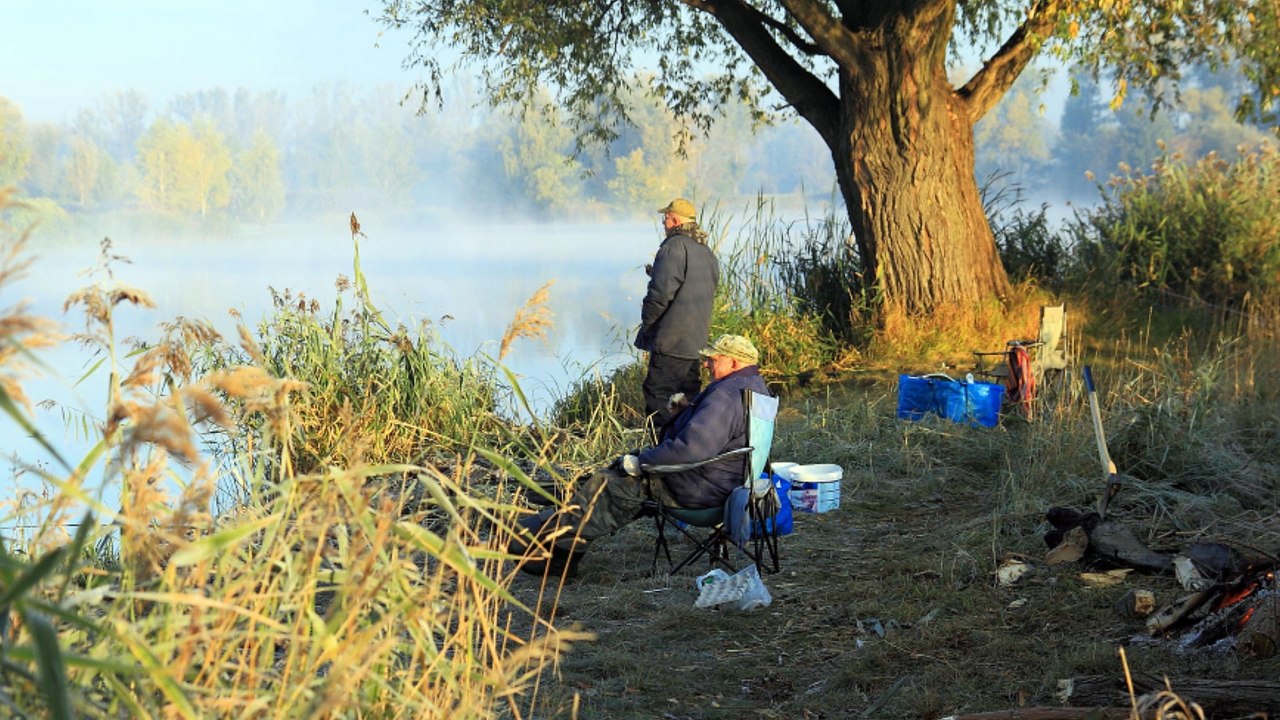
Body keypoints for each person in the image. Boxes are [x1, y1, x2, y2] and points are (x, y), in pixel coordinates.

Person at [512, 334, 769, 577]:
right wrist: (684, 412)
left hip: (700, 491)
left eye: (713, 360)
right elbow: (716, 436)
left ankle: (535, 542)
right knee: (613, 478)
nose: (705, 364)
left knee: (610, 486)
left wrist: (643, 462)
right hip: (724, 481)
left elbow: (691, 449)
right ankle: (557, 545)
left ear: (733, 362)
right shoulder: (754, 387)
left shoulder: (724, 395)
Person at [634, 197, 719, 431]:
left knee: (658, 396)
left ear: (674, 220)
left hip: (671, 341)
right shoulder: (706, 252)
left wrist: (649, 324)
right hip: (696, 343)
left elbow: (660, 296)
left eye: (665, 218)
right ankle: (687, 449)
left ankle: (661, 454)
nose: (663, 223)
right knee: (687, 401)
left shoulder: (672, 247)